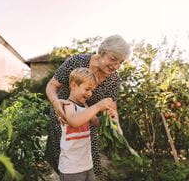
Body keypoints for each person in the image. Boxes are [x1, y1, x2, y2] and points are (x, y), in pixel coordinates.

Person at [45, 34, 132, 176]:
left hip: (87, 118)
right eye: (113, 59)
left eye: (121, 62)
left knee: (87, 159)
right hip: (63, 115)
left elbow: (111, 107)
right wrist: (55, 103)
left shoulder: (114, 79)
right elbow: (51, 86)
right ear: (102, 52)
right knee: (65, 160)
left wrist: (116, 128)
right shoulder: (77, 61)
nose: (116, 66)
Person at [59, 67, 116, 181]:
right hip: (71, 168)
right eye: (87, 89)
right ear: (74, 85)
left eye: (92, 90)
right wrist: (97, 106)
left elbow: (96, 123)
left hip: (87, 164)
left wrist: (108, 117)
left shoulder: (85, 107)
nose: (90, 94)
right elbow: (74, 121)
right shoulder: (68, 105)